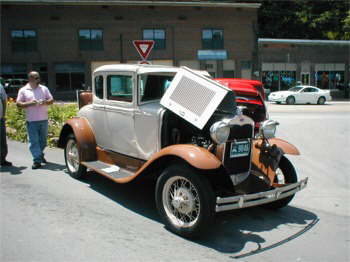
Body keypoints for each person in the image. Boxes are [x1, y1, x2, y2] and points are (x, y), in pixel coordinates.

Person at [16, 71, 54, 169]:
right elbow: (18, 104)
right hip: (31, 120)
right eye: (36, 78)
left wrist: (45, 102)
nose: (38, 79)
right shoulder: (23, 90)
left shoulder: (44, 88)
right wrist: (29, 103)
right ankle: (37, 160)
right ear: (30, 79)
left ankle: (39, 155)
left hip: (44, 119)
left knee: (43, 141)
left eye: (38, 77)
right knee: (34, 142)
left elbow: (51, 100)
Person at [0, 80, 12, 166]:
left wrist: (3, 115)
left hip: (0, 118)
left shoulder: (0, 87)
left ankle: (2, 159)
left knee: (2, 140)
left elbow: (4, 101)